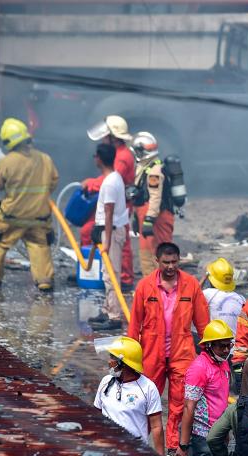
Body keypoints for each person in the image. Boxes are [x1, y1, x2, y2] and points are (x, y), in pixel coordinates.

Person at [125, 242, 210, 456]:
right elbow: (135, 324)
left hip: (182, 352)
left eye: (174, 262)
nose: (171, 266)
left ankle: (173, 445)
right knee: (146, 398)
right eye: (166, 262)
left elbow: (203, 324)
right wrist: (128, 357)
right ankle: (141, 442)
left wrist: (208, 354)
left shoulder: (191, 285)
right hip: (151, 353)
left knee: (180, 400)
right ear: (157, 261)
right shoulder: (145, 286)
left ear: (179, 260)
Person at [0, 117, 59, 291]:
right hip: (39, 215)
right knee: (40, 245)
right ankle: (44, 280)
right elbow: (53, 181)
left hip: (11, 216)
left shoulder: (7, 161)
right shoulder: (45, 159)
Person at [179, 319, 233, 456]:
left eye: (228, 345)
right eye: (221, 346)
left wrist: (225, 431)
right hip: (201, 435)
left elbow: (222, 399)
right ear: (209, 346)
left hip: (217, 432)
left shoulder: (223, 363)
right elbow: (189, 407)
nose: (226, 350)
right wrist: (183, 444)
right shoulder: (199, 369)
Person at [93, 336, 165, 455]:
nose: (109, 362)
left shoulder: (148, 388)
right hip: (107, 450)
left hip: (136, 453)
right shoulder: (106, 381)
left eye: (112, 358)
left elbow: (156, 426)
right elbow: (96, 416)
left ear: (123, 363)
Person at [88, 115, 136, 290]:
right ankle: (95, 271)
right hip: (116, 202)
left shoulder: (122, 157)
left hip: (118, 205)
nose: (103, 138)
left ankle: (124, 279)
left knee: (120, 242)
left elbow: (112, 180)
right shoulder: (119, 154)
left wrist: (90, 184)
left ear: (113, 137)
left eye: (106, 135)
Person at [86, 143, 130, 331]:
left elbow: (109, 212)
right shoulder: (113, 178)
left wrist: (107, 241)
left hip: (110, 231)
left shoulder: (111, 182)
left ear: (99, 158)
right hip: (107, 229)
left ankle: (114, 317)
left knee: (111, 275)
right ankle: (107, 309)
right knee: (107, 273)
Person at [132, 131, 176, 277]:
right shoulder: (146, 167)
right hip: (147, 215)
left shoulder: (154, 171)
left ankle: (162, 291)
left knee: (159, 255)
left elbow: (155, 198)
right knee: (146, 254)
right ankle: (151, 287)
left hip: (157, 218)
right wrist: (136, 218)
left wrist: (149, 220)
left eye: (137, 150)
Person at [203, 257, 245, 334]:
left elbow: (192, 294)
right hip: (237, 342)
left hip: (218, 342)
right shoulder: (241, 298)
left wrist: (204, 277)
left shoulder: (208, 294)